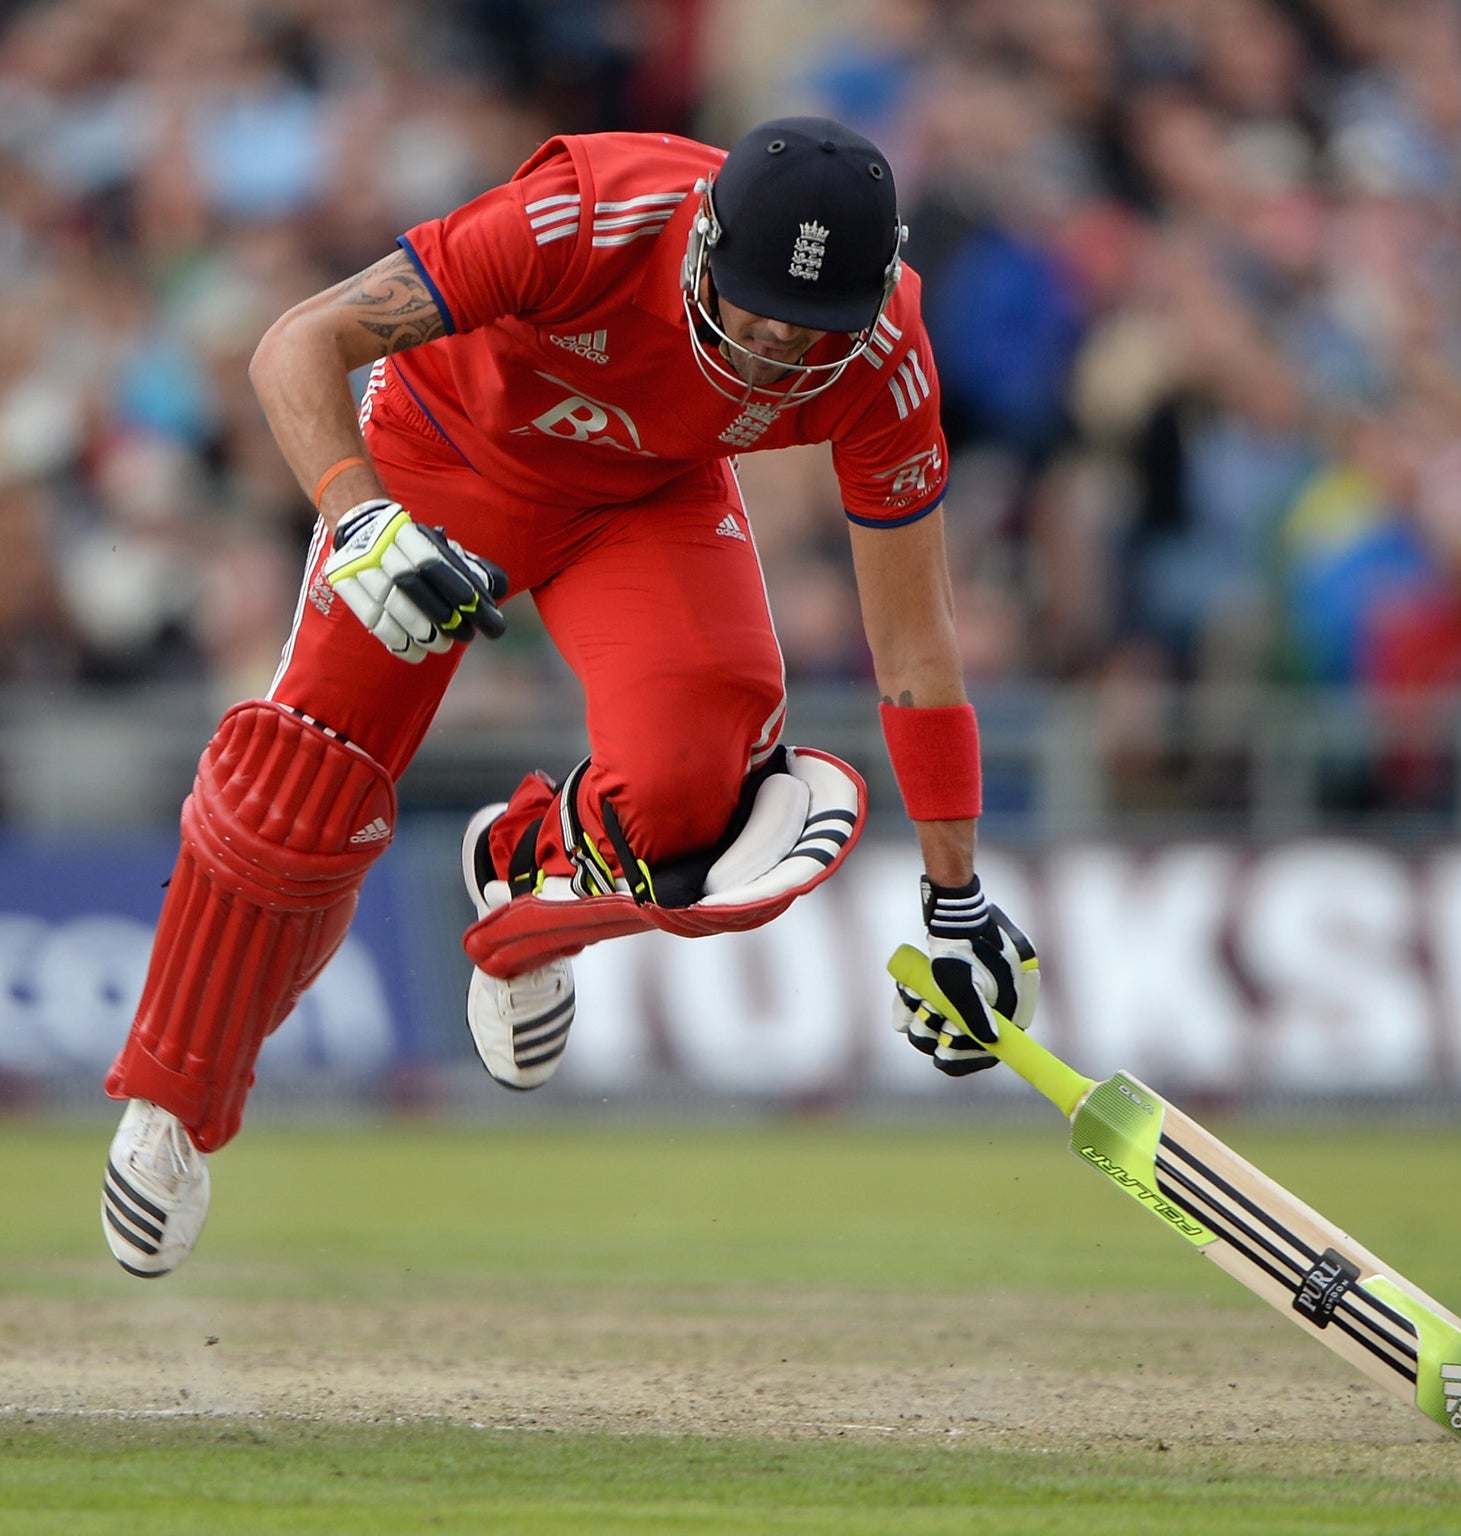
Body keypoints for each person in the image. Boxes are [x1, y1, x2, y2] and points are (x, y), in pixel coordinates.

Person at [96, 116, 1039, 1279]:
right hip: (438, 453)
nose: (772, 357)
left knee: (704, 797)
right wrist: (361, 518)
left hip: (641, 500)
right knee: (300, 793)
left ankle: (528, 875)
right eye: (751, 309)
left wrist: (956, 898)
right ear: (702, 242)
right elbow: (298, 342)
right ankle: (173, 1103)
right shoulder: (588, 214)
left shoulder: (885, 356)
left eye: (813, 332)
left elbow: (914, 644)